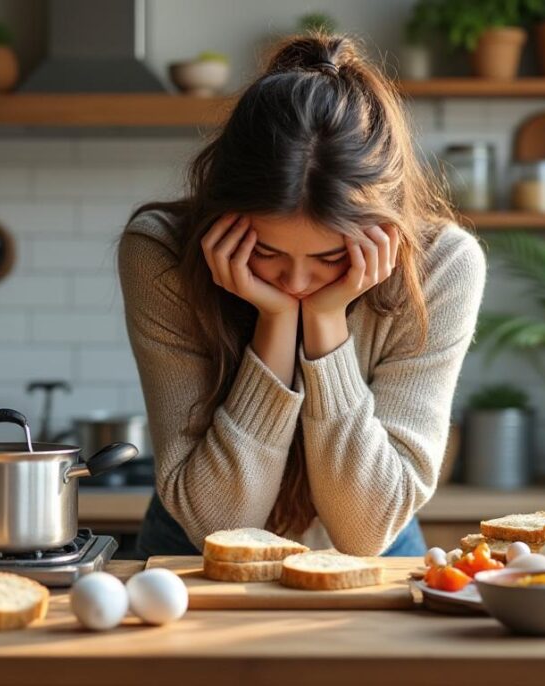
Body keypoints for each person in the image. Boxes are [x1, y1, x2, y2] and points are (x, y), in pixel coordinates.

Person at [118, 33, 486, 558]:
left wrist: (327, 322)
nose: (294, 282)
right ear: (224, 216)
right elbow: (220, 524)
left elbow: (364, 531)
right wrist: (275, 323)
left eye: (331, 259)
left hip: (375, 546)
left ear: (382, 233)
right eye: (267, 251)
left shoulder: (441, 267)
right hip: (193, 547)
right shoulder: (163, 255)